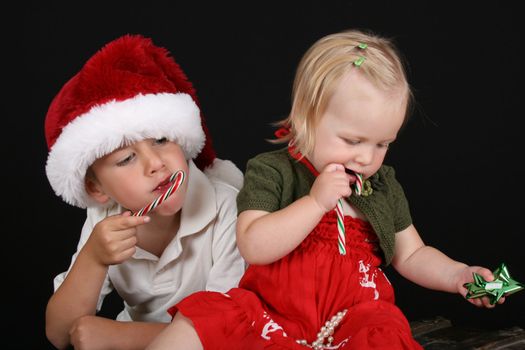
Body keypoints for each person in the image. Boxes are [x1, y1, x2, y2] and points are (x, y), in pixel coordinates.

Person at [146, 29, 505, 350]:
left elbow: (411, 255)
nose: (366, 157)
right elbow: (253, 245)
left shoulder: (380, 186)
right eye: (353, 140)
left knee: (383, 332)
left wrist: (457, 274)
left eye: (383, 144)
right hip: (273, 314)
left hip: (352, 320)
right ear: (306, 118)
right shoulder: (274, 171)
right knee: (200, 320)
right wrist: (315, 202)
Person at [44, 34, 246, 350]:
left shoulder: (226, 205)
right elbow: (60, 333)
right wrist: (94, 259)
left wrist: (122, 337)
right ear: (96, 188)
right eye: (126, 158)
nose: (155, 163)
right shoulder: (104, 219)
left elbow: (231, 329)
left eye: (163, 140)